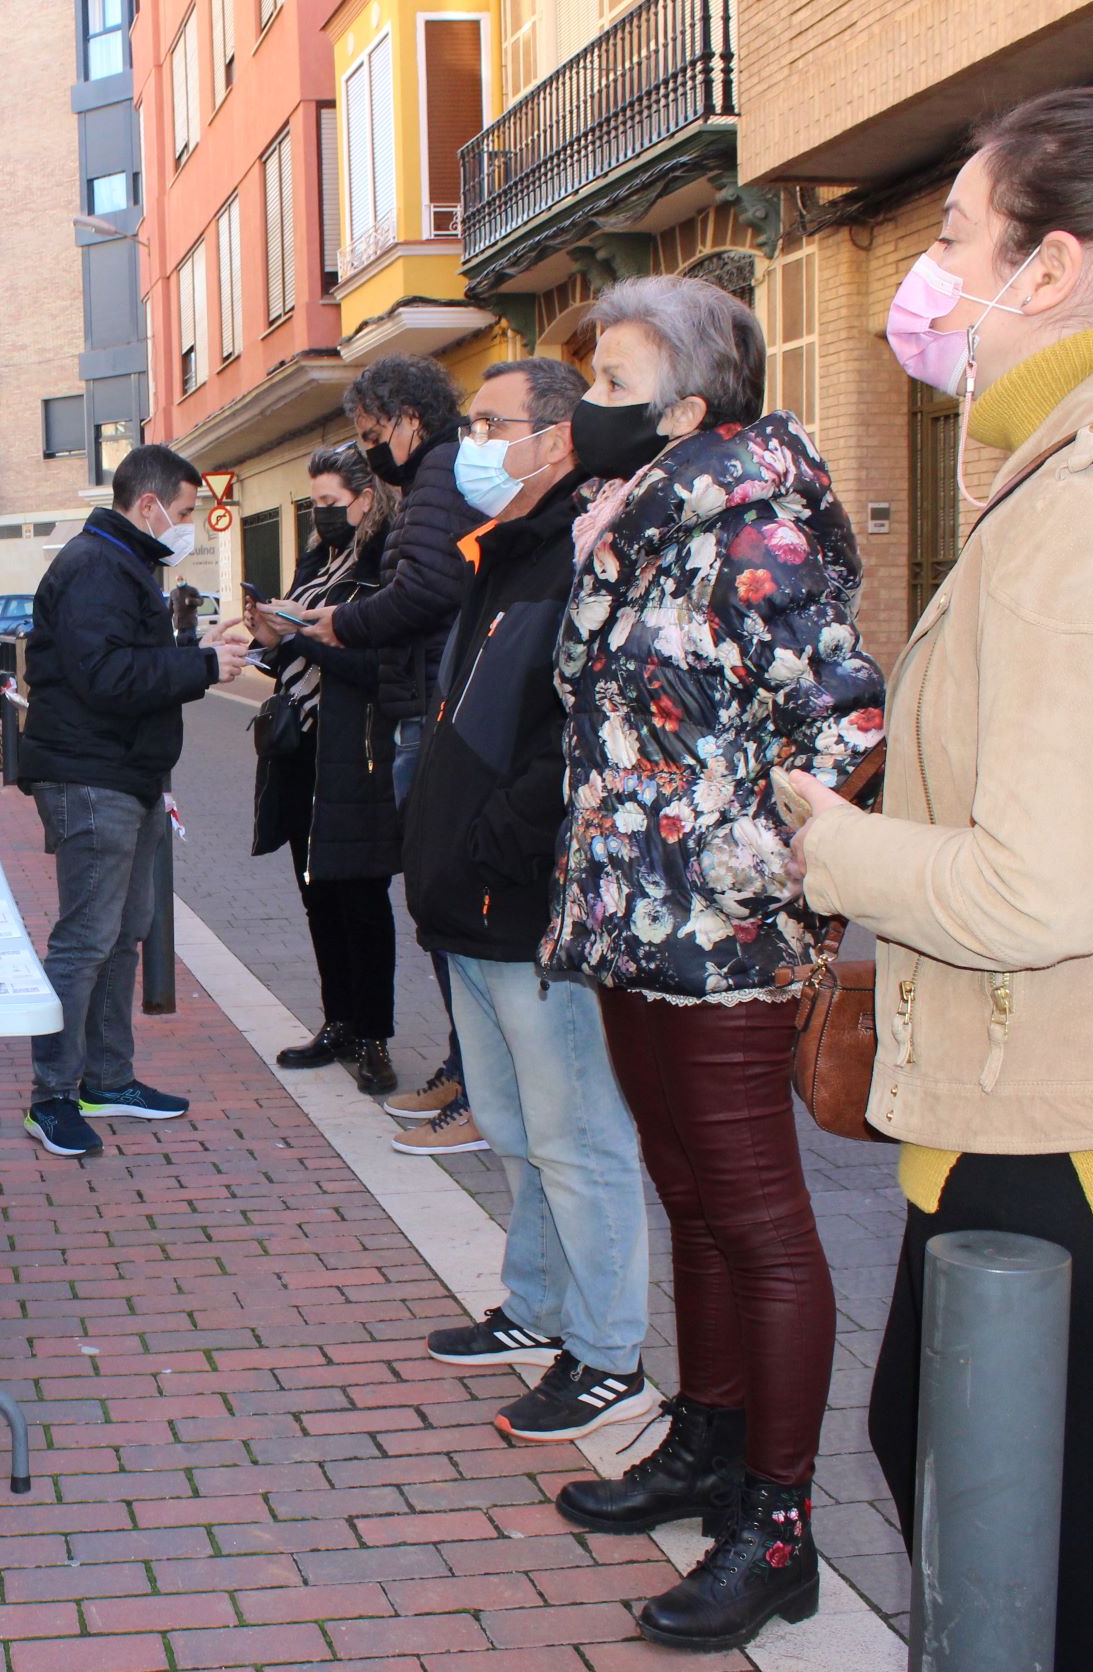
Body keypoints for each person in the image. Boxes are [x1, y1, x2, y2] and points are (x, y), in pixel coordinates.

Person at [792, 90, 1093, 1672]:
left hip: (1082, 1117)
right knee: (1026, 1520)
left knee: (1069, 1573)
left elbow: (1036, 894)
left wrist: (822, 839)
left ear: (1052, 268)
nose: (919, 282)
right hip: (1045, 1098)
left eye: (948, 237)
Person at [541, 275, 885, 1651]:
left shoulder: (760, 534)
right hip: (637, 924)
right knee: (689, 1195)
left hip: (725, 935)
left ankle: (779, 1525)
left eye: (610, 383)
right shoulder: (637, 528)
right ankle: (707, 1441)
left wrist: (746, 877)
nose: (584, 408)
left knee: (758, 1218)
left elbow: (841, 728)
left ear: (686, 408)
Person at [398, 358, 651, 1442]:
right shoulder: (499, 558)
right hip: (472, 904)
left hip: (527, 905)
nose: (472, 443)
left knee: (576, 1132)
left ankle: (607, 1353)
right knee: (510, 1123)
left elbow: (567, 742)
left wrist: (493, 853)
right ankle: (538, 1308)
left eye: (492, 422)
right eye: (468, 423)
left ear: (555, 440)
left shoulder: (575, 559)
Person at [20, 444, 250, 1158]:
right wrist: (203, 665)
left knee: (123, 932)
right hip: (93, 776)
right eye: (184, 513)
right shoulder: (97, 567)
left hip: (124, 774)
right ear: (147, 505)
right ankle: (52, 1096)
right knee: (88, 938)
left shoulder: (119, 563)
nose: (189, 526)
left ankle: (106, 1077)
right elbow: (105, 677)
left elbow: (120, 662)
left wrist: (191, 648)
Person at [300, 356, 484, 1139]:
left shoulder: (439, 476)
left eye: (373, 434)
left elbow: (428, 590)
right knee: (440, 912)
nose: (372, 447)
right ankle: (466, 1072)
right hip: (426, 706)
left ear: (409, 416)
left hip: (430, 712)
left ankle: (478, 1086)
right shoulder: (434, 480)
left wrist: (341, 623)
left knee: (448, 909)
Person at [246, 444, 401, 1098]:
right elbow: (296, 663)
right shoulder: (320, 560)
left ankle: (374, 1037)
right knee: (319, 896)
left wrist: (303, 639)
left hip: (356, 751)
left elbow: (380, 669)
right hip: (304, 748)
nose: (322, 516)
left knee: (360, 898)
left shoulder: (387, 565)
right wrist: (270, 638)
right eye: (315, 505)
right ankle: (339, 1021)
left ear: (365, 499)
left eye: (332, 504)